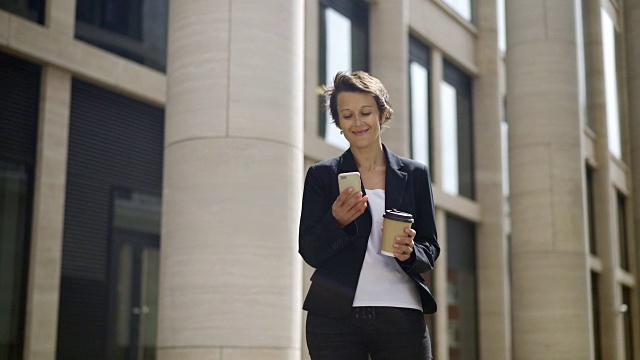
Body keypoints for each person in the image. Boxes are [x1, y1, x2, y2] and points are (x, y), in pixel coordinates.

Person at [299, 71, 440, 360]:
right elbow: (310, 251)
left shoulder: (414, 174)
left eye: (365, 112)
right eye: (347, 115)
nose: (358, 122)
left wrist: (410, 252)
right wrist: (335, 222)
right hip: (334, 319)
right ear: (338, 123)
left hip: (402, 315)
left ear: (383, 113)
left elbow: (430, 247)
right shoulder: (322, 176)